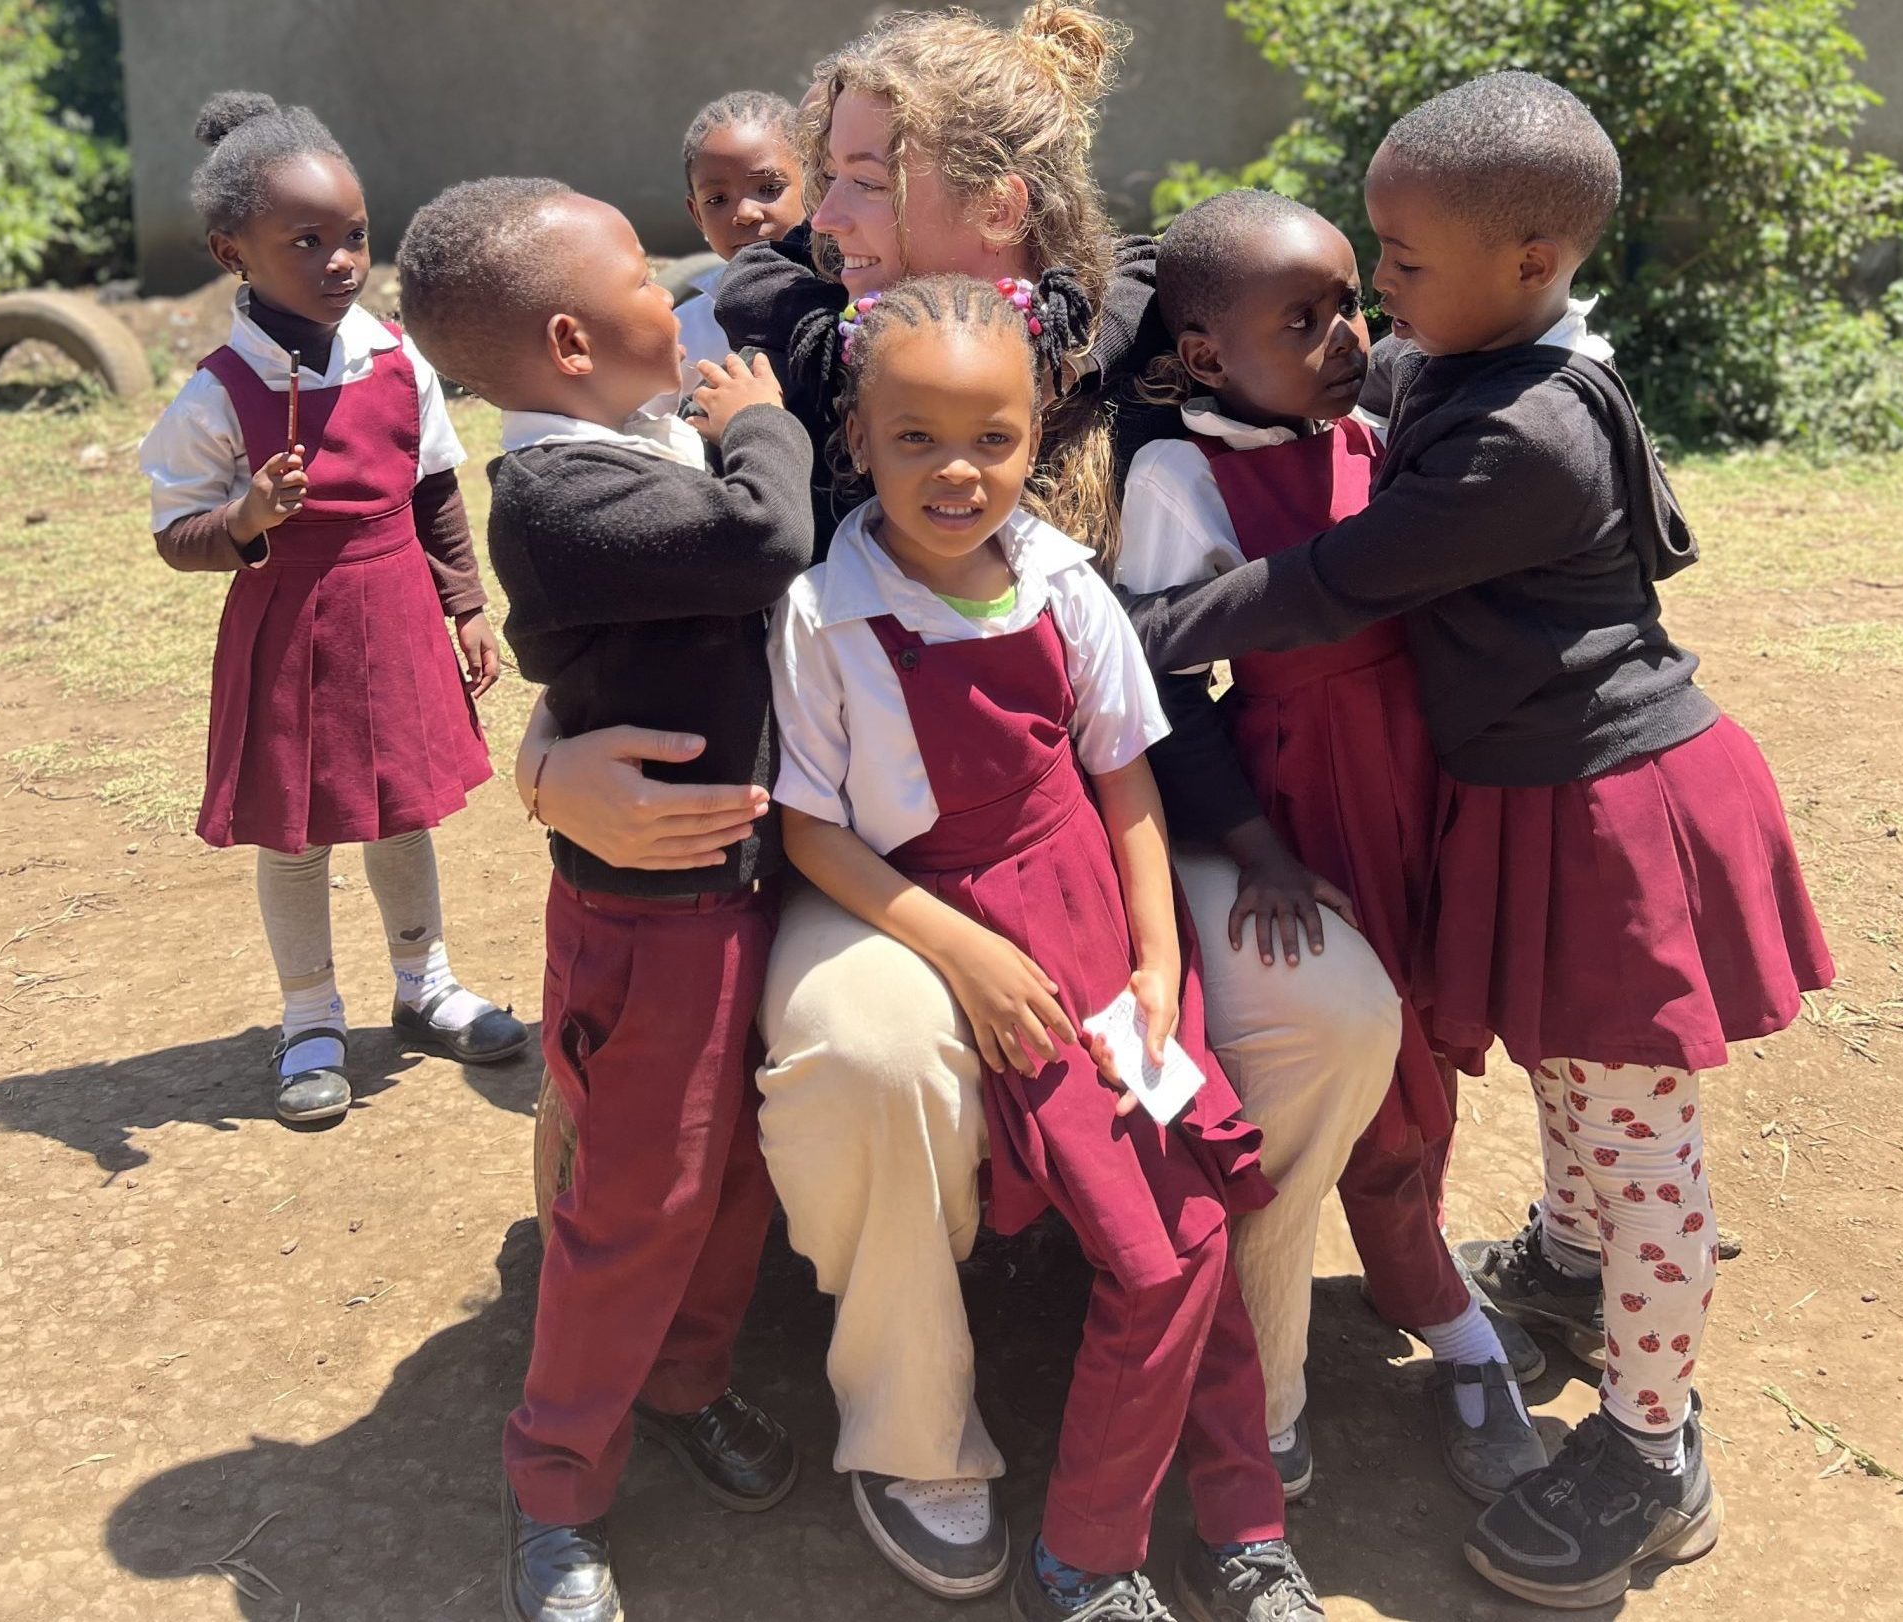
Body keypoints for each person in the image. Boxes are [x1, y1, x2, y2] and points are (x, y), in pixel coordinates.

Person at [521, 4, 1397, 1592]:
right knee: (870, 1045)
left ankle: (1248, 1398)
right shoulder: (773, 352)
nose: (819, 209)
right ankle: (914, 1426)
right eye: (828, 171)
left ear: (992, 202)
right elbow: (607, 575)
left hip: (1107, 826)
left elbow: (1342, 408)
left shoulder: (1137, 344)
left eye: (866, 174)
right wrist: (545, 760)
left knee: (1331, 1009)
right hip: (843, 846)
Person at [1123, 72, 1835, 1608]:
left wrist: (1138, 633)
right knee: (1570, 1073)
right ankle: (1571, 1272)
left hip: (1612, 802)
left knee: (1635, 1131)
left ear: (1528, 264)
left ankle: (1653, 1444)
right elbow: (1274, 363)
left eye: (1401, 263)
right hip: (1535, 788)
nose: (1376, 302)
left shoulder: (1527, 434)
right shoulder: (1471, 357)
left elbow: (1335, 578)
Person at [773, 271, 1321, 1622]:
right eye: (916, 438)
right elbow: (813, 833)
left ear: (1038, 437)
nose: (957, 471)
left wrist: (1159, 967)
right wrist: (962, 957)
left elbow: (1124, 782)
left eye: (994, 438)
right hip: (978, 946)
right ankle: (1086, 1553)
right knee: (1161, 1252)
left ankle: (1241, 1527)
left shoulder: (1066, 584)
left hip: (1104, 936)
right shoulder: (824, 615)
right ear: (856, 438)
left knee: (1198, 1216)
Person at [396, 178, 815, 1622]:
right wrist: (762, 416)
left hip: (736, 890)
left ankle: (686, 1383)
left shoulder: (632, 444)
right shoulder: (561, 497)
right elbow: (765, 538)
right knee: (636, 1197)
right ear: (571, 343)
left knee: (734, 1172)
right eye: (646, 271)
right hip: (653, 924)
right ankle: (559, 1479)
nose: (676, 285)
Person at [1116, 187, 1548, 1502]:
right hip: (1309, 799)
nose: (1347, 335)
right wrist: (1252, 844)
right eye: (1301, 321)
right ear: (1205, 355)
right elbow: (1161, 684)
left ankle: (1411, 1265)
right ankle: (1440, 1314)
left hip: (1422, 778)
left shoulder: (1374, 430)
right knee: (1382, 1061)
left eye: (1350, 303)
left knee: (1432, 1038)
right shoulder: (1181, 475)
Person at [138, 92, 522, 1127]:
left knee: (403, 809)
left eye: (353, 235)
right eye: (304, 242)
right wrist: (245, 517)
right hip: (289, 629)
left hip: (396, 612)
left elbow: (434, 488)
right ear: (232, 253)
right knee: (298, 831)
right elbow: (176, 534)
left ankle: (425, 984)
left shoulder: (397, 358)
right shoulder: (218, 395)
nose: (341, 261)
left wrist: (465, 603)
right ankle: (309, 1018)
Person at [672, 91, 805, 392]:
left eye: (769, 188)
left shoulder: (850, 300)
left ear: (814, 186)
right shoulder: (685, 332)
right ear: (697, 215)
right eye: (717, 200)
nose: (745, 214)